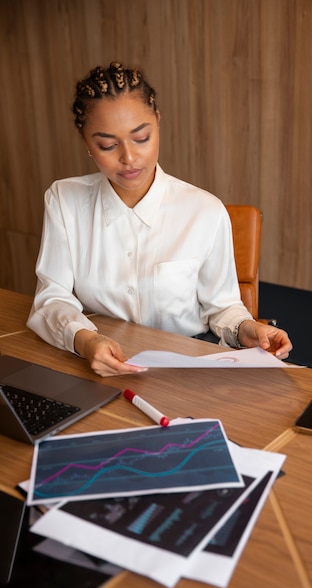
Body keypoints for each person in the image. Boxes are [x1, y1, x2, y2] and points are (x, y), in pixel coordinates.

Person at [27, 62, 292, 377]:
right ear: (86, 141)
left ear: (158, 123)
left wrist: (245, 328)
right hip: (100, 369)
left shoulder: (205, 211)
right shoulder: (64, 200)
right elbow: (51, 298)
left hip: (186, 371)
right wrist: (85, 340)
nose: (128, 158)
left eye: (141, 138)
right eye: (107, 145)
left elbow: (221, 307)